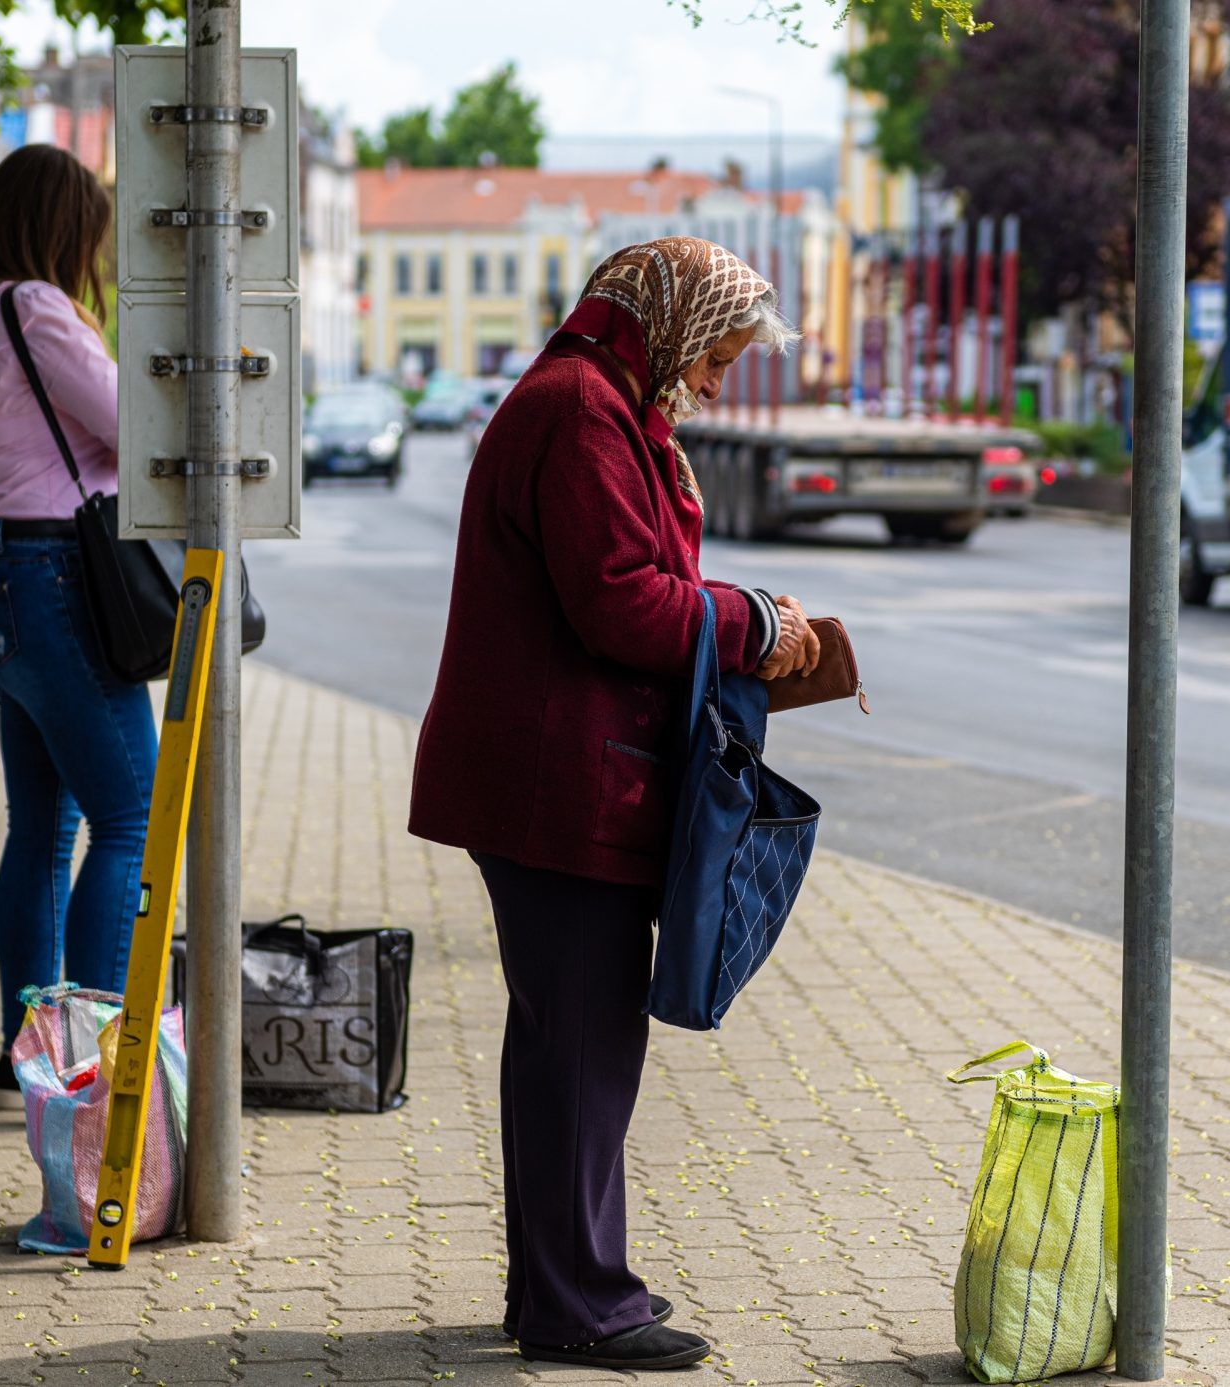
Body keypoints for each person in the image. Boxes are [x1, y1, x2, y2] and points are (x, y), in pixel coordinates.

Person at [410, 237, 820, 1372]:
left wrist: (733, 615)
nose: (714, 385)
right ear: (673, 327)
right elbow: (621, 605)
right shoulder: (581, 411)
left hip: (558, 773)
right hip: (557, 780)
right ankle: (579, 1302)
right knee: (581, 1045)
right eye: (716, 361)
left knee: (565, 1042)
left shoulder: (593, 398)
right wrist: (750, 623)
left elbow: (632, 585)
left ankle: (555, 1287)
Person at [0, 145, 151, 1108]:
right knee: (127, 817)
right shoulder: (38, 310)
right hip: (58, 578)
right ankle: (87, 1067)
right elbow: (136, 423)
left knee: (43, 830)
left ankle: (30, 1057)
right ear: (62, 229)